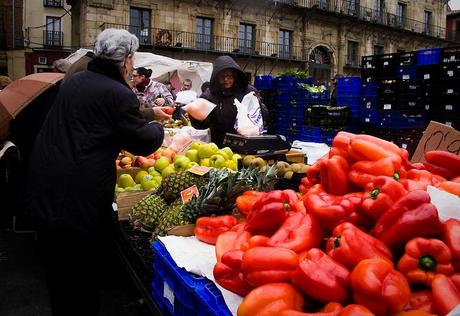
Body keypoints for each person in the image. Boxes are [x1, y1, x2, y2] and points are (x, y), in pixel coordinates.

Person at [23, 29, 164, 316]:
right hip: (78, 199)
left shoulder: (77, 81)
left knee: (58, 276)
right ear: (125, 60)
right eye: (131, 59)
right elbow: (143, 142)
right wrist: (158, 128)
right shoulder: (117, 92)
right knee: (82, 279)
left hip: (46, 188)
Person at [189, 55, 267, 146]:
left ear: (235, 76)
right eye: (222, 76)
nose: (226, 79)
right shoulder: (209, 96)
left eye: (229, 76)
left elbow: (262, 116)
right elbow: (200, 126)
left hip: (246, 145)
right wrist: (195, 115)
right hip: (219, 146)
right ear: (216, 77)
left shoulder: (248, 92)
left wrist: (259, 105)